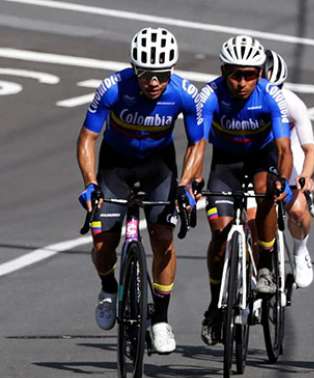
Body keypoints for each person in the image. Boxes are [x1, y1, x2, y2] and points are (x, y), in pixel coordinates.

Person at [76, 27, 204, 354]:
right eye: (146, 74)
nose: (153, 82)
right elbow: (88, 138)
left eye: (161, 75)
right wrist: (90, 183)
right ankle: (108, 287)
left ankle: (160, 318)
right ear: (135, 69)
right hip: (115, 164)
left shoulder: (184, 93)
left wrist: (186, 184)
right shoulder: (112, 89)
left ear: (170, 71)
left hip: (158, 167)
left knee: (162, 238)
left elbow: (196, 142)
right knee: (103, 239)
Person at [196, 35, 292, 345]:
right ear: (223, 71)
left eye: (249, 75)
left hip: (261, 159)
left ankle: (265, 265)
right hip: (225, 164)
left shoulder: (271, 97)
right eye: (235, 74)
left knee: (266, 193)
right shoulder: (208, 95)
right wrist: (192, 181)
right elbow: (197, 145)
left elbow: (284, 149)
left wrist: (283, 181)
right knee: (219, 238)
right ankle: (214, 307)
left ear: (260, 74)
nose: (241, 82)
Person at [260, 49, 314, 288]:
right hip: (258, 159)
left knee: (297, 210)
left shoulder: (294, 103)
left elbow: (310, 150)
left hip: (288, 157)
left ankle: (301, 248)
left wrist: (305, 175)